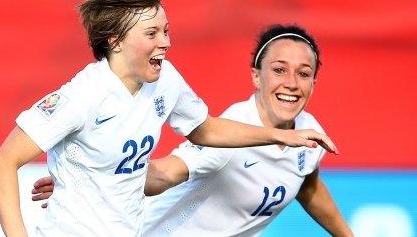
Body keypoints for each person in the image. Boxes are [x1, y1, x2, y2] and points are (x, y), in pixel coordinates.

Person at [32, 24, 352, 236]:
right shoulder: (229, 137)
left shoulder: (309, 132)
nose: (291, 84)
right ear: (257, 76)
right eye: (279, 70)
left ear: (314, 82)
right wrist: (93, 179)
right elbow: (163, 174)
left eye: (303, 73)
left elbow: (306, 183)